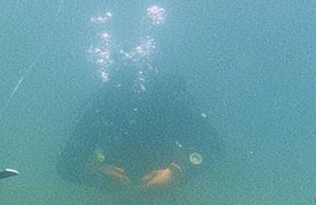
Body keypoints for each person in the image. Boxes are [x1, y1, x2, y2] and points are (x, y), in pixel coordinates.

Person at [57, 67, 222, 191]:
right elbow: (65, 164)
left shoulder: (170, 104)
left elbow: (212, 144)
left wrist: (177, 172)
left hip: (165, 165)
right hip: (114, 175)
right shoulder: (103, 108)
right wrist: (94, 174)